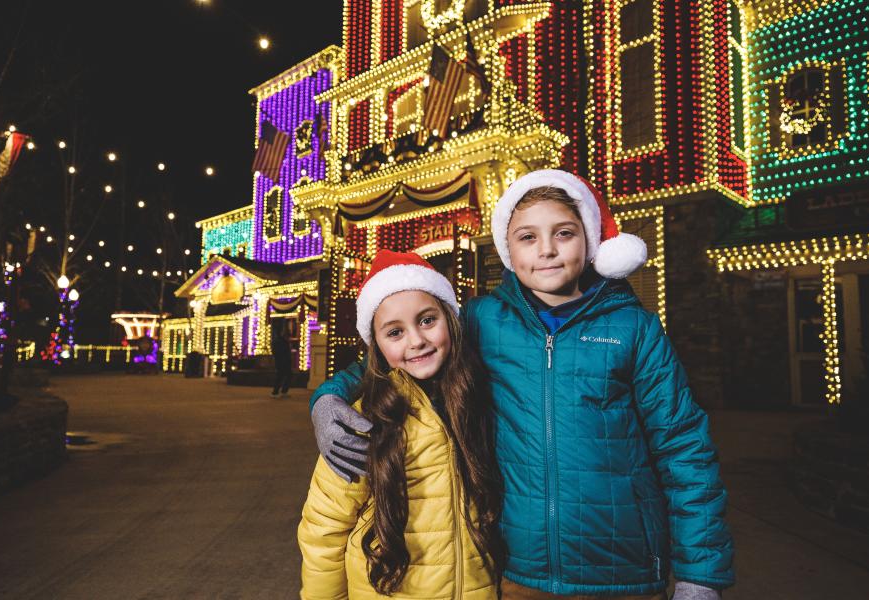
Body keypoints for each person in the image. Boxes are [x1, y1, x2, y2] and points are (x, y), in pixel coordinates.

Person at [310, 170, 734, 599]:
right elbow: (398, 356)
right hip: (519, 569)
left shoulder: (634, 329)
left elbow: (685, 449)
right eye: (528, 237)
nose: (547, 250)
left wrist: (699, 575)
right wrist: (327, 398)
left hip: (622, 567)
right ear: (507, 250)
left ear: (588, 239)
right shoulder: (482, 321)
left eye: (564, 233)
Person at [298, 250, 503, 599]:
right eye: (395, 332)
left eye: (427, 320)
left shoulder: (479, 401)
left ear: (451, 321)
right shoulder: (362, 421)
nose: (416, 340)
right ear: (375, 345)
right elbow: (324, 531)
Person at [271, 325, 292, 396]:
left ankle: (282, 391)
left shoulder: (282, 341)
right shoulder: (280, 341)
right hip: (281, 361)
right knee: (280, 376)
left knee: (286, 375)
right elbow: (277, 352)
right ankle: (276, 392)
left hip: (284, 361)